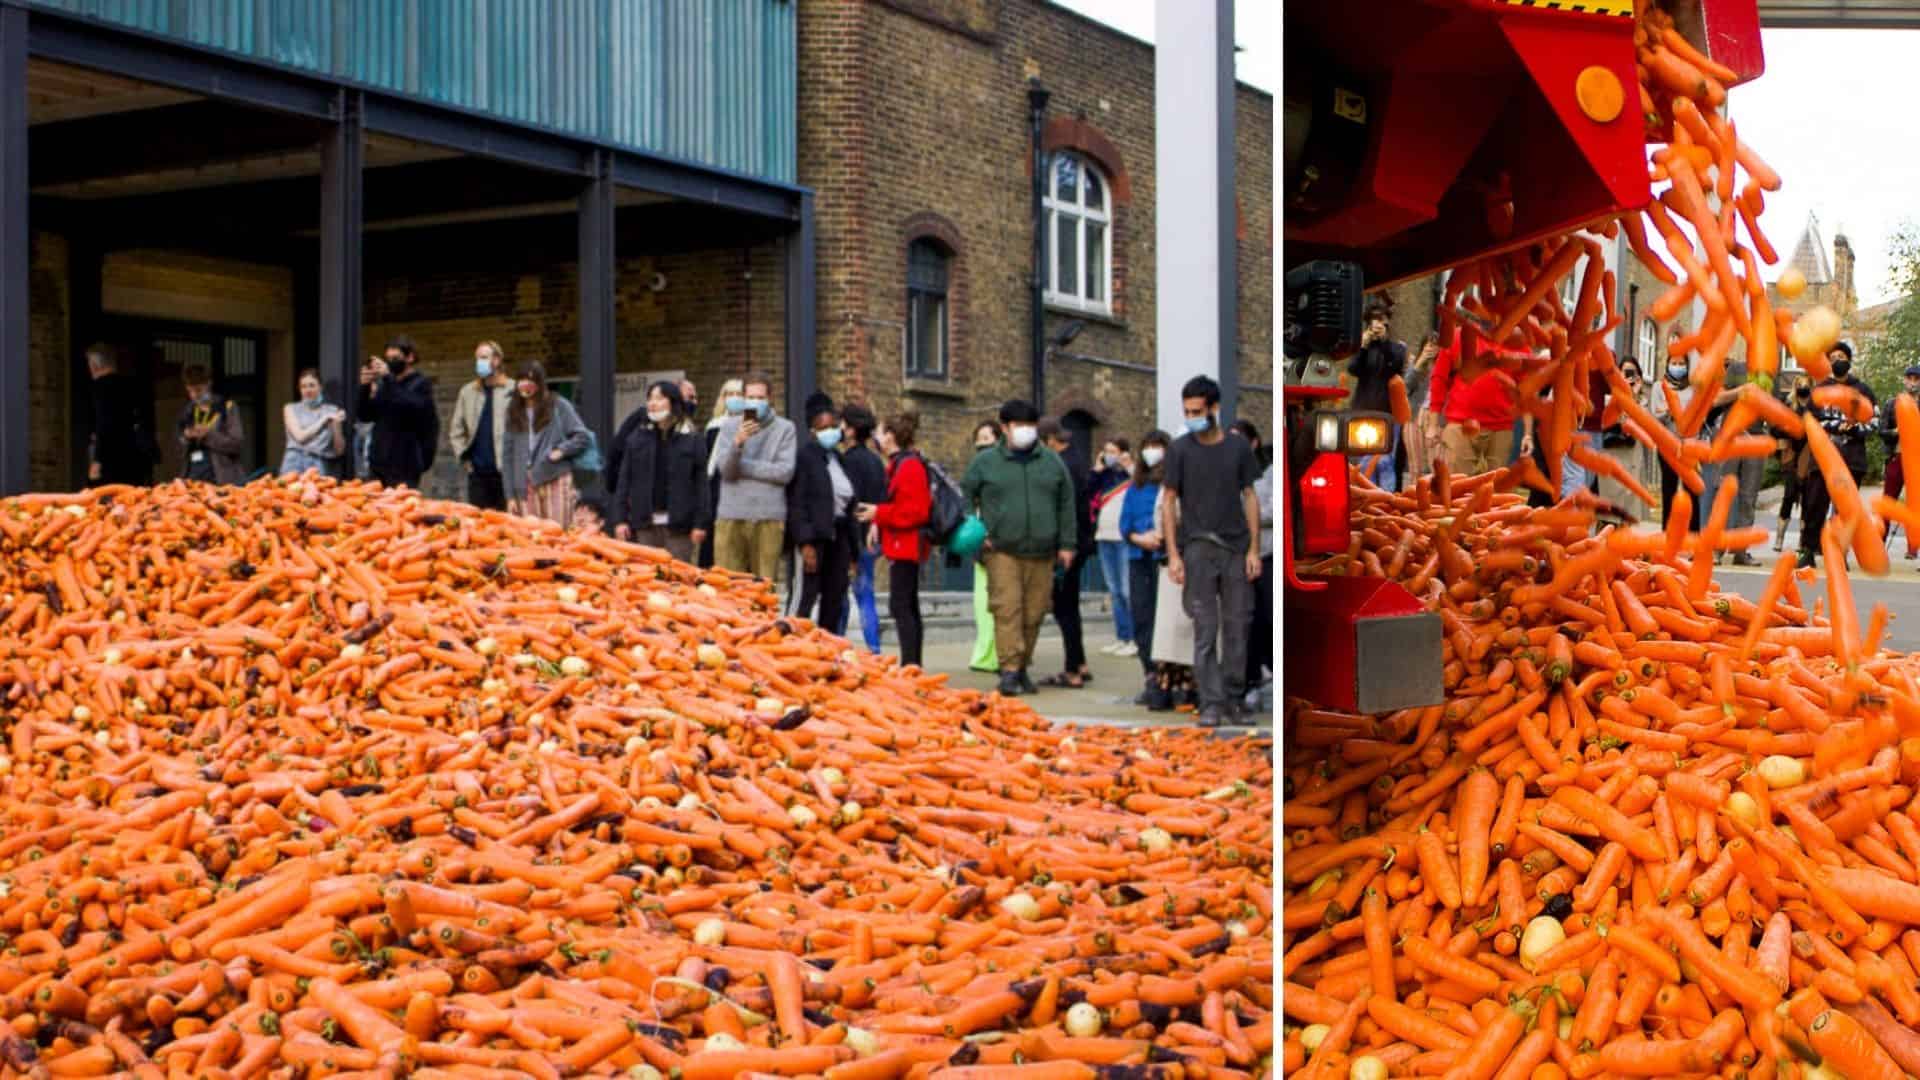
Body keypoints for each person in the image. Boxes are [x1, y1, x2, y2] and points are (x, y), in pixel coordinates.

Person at [1161, 375, 1261, 727]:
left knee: (1238, 627)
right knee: (1205, 629)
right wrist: (1173, 554)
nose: (1192, 416)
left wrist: (1253, 548)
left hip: (1234, 547)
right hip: (1197, 548)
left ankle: (1234, 698)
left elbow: (1249, 495)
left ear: (1215, 409)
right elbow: (1169, 502)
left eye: (1198, 410)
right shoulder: (1179, 450)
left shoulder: (1237, 449)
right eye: (1187, 411)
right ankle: (1211, 703)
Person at [962, 400, 1076, 697]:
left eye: (1030, 426)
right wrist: (975, 533)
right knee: (1007, 609)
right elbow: (964, 495)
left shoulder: (1052, 463)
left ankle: (1022, 666)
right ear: (1005, 428)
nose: (1025, 431)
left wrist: (1067, 543)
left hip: (1042, 551)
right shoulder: (985, 463)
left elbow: (1066, 504)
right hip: (1002, 549)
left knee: (1034, 612)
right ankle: (1010, 670)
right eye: (1019, 426)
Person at [856, 413, 932, 667]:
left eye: (879, 432)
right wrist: (878, 521)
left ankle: (911, 663)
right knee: (905, 604)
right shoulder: (900, 464)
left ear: (890, 436)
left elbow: (914, 511)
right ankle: (912, 663)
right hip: (901, 543)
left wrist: (879, 514)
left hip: (906, 545)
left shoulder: (908, 466)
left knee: (902, 605)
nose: (876, 438)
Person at [608, 381, 711, 562]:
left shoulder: (692, 439)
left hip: (680, 526)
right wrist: (620, 519)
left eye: (659, 398)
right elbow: (624, 481)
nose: (652, 403)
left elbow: (701, 485)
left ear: (673, 402)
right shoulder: (636, 439)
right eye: (649, 399)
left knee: (677, 579)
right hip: (644, 524)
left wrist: (700, 523)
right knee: (648, 577)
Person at [711, 374, 797, 581]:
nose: (755, 402)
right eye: (750, 397)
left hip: (768, 516)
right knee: (728, 586)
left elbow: (784, 472)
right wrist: (738, 443)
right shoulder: (729, 426)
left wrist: (745, 467)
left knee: (765, 586)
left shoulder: (785, 428)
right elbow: (726, 470)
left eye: (760, 397)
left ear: (770, 399)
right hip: (731, 514)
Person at [1800, 342, 1877, 568]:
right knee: (1814, 505)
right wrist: (1836, 426)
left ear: (1849, 360)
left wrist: (1854, 429)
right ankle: (1808, 550)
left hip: (1852, 458)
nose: (1837, 360)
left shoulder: (1863, 391)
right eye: (1832, 357)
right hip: (1823, 459)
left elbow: (1875, 421)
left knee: (1846, 509)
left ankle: (1840, 552)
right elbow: (1810, 421)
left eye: (1841, 356)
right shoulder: (1820, 390)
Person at [785, 394, 853, 634]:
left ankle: (828, 651)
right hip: (814, 537)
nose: (830, 432)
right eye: (824, 428)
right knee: (805, 597)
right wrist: (805, 542)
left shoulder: (839, 459)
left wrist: (853, 551)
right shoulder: (805, 457)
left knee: (834, 598)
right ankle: (790, 644)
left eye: (834, 426)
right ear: (813, 431)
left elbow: (850, 504)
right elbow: (797, 502)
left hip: (838, 537)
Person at [1039, 416, 1095, 689]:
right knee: (1069, 606)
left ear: (1050, 439)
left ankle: (1072, 668)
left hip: (1069, 546)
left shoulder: (1064, 465)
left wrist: (1064, 545)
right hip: (1078, 543)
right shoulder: (1076, 459)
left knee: (1064, 607)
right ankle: (1079, 662)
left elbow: (1067, 508)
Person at [502, 361, 592, 524]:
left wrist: (561, 450)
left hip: (555, 478)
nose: (524, 385)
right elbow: (507, 456)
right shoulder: (513, 410)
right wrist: (509, 496)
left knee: (558, 534)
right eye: (521, 380)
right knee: (532, 538)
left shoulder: (557, 405)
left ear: (540, 382)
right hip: (524, 485)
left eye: (530, 380)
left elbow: (582, 437)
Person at [1122, 431, 1171, 707]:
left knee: (1163, 622)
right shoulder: (1136, 486)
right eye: (1148, 447)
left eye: (1158, 447)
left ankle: (1167, 679)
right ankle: (1150, 674)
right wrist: (1140, 537)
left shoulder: (1172, 483)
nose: (1152, 452)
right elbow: (1125, 522)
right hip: (1139, 557)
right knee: (1142, 618)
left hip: (1164, 559)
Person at [836, 404, 890, 651]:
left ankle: (837, 646)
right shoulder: (875, 461)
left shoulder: (848, 461)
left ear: (852, 429)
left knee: (844, 596)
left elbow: (850, 503)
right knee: (866, 596)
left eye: (843, 424)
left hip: (855, 537)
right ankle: (874, 649)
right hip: (873, 535)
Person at [1430, 329, 1520, 475]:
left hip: (1501, 426)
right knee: (1459, 485)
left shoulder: (1517, 341)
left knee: (1493, 489)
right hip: (1460, 425)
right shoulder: (1459, 336)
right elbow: (1439, 377)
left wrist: (1527, 432)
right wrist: (1433, 424)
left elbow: (1526, 389)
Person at [358, 336, 438, 490]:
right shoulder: (385, 385)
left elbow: (407, 406)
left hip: (405, 465)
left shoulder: (421, 384)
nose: (390, 362)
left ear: (410, 357)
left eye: (395, 358)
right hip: (378, 463)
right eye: (388, 358)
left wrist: (388, 378)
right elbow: (366, 415)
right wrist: (365, 387)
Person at [1233, 420, 1273, 702]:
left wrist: (1245, 515)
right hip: (1237, 557)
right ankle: (1250, 678)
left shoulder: (1268, 473)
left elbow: (1271, 510)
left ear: (1253, 442)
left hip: (1266, 555)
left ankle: (1269, 671)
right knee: (1244, 622)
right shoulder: (1227, 474)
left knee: (1267, 618)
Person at [1346, 302, 1406, 490]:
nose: (1377, 324)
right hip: (1363, 410)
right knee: (1364, 463)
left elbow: (1395, 367)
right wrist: (1363, 347)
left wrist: (1384, 343)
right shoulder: (1363, 348)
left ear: (1387, 322)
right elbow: (1353, 369)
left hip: (1387, 412)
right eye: (1373, 320)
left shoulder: (1396, 348)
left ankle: (1385, 500)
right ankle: (1368, 499)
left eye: (1381, 320)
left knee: (1385, 462)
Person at [448, 341, 513, 510]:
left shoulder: (512, 389)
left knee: (508, 525)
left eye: (484, 357)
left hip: (507, 473)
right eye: (477, 358)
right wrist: (464, 457)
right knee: (479, 524)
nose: (479, 362)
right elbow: (456, 429)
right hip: (477, 473)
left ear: (497, 360)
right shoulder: (468, 392)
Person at [84, 344, 158, 487]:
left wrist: (97, 460)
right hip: (137, 456)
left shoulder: (101, 388)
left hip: (111, 459)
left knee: (106, 501)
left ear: (94, 364)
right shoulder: (133, 386)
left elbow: (104, 424)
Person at [1090, 438, 1136, 657]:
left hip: (1124, 538)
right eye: (1106, 450)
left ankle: (1135, 639)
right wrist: (1097, 469)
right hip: (1104, 536)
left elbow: (1144, 486)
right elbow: (1087, 490)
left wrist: (1130, 466)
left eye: (1113, 451)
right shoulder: (1104, 476)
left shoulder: (1131, 475)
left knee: (1128, 591)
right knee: (1115, 591)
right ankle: (1122, 636)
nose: (1109, 455)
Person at [967, 421, 1002, 674]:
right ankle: (986, 653)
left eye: (987, 437)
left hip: (999, 542)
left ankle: (997, 654)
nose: (982, 443)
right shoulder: (976, 469)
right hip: (981, 544)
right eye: (979, 438)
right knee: (982, 603)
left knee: (997, 602)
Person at [1651, 345, 1700, 529]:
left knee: (1691, 491)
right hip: (1667, 445)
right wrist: (1669, 410)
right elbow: (1655, 415)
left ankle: (1693, 534)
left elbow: (1697, 414)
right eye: (1674, 363)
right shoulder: (1658, 387)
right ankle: (1667, 532)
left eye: (1681, 363)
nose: (1678, 367)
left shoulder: (1692, 388)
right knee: (1669, 489)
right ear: (1667, 364)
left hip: (1689, 445)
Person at [175, 363, 247, 484]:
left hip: (221, 477)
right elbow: (178, 448)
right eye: (190, 391)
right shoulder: (188, 411)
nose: (194, 395)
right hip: (192, 476)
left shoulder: (227, 407)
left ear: (208, 384)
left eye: (198, 390)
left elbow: (237, 444)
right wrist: (186, 437)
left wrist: (208, 435)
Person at [699, 378, 743, 568]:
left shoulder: (750, 425)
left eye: (738, 394)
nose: (733, 398)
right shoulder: (714, 426)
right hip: (715, 486)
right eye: (728, 394)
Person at [1880, 365, 1920, 560]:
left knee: (1916, 506)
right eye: (1910, 378)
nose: (1912, 382)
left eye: (1916, 379)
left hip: (1917, 462)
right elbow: (1881, 430)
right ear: (1904, 380)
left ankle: (1913, 548)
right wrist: (1895, 432)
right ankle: (1879, 543)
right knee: (1888, 501)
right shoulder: (1892, 403)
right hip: (1896, 457)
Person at [279, 368, 347, 476]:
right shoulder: (290, 408)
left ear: (320, 387)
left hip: (318, 464)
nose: (308, 390)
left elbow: (339, 450)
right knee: (289, 492)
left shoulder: (332, 411)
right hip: (293, 462)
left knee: (314, 492)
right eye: (303, 386)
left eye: (312, 385)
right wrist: (323, 420)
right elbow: (300, 437)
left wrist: (336, 425)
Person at [1773, 374, 1812, 552]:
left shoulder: (1814, 406)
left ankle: (1803, 540)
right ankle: (1779, 538)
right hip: (1791, 454)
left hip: (1809, 454)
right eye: (1799, 383)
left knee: (1807, 498)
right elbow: (1774, 427)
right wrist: (1790, 427)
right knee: (1789, 495)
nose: (1803, 386)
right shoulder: (1787, 404)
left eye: (1806, 383)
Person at [1404, 333, 1441, 484]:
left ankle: (1436, 501)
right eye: (1428, 344)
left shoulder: (1444, 366)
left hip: (1434, 417)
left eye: (1435, 345)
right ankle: (1415, 501)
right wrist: (1420, 363)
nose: (1431, 348)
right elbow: (1405, 388)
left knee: (1436, 464)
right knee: (1415, 466)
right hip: (1414, 416)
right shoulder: (1416, 365)